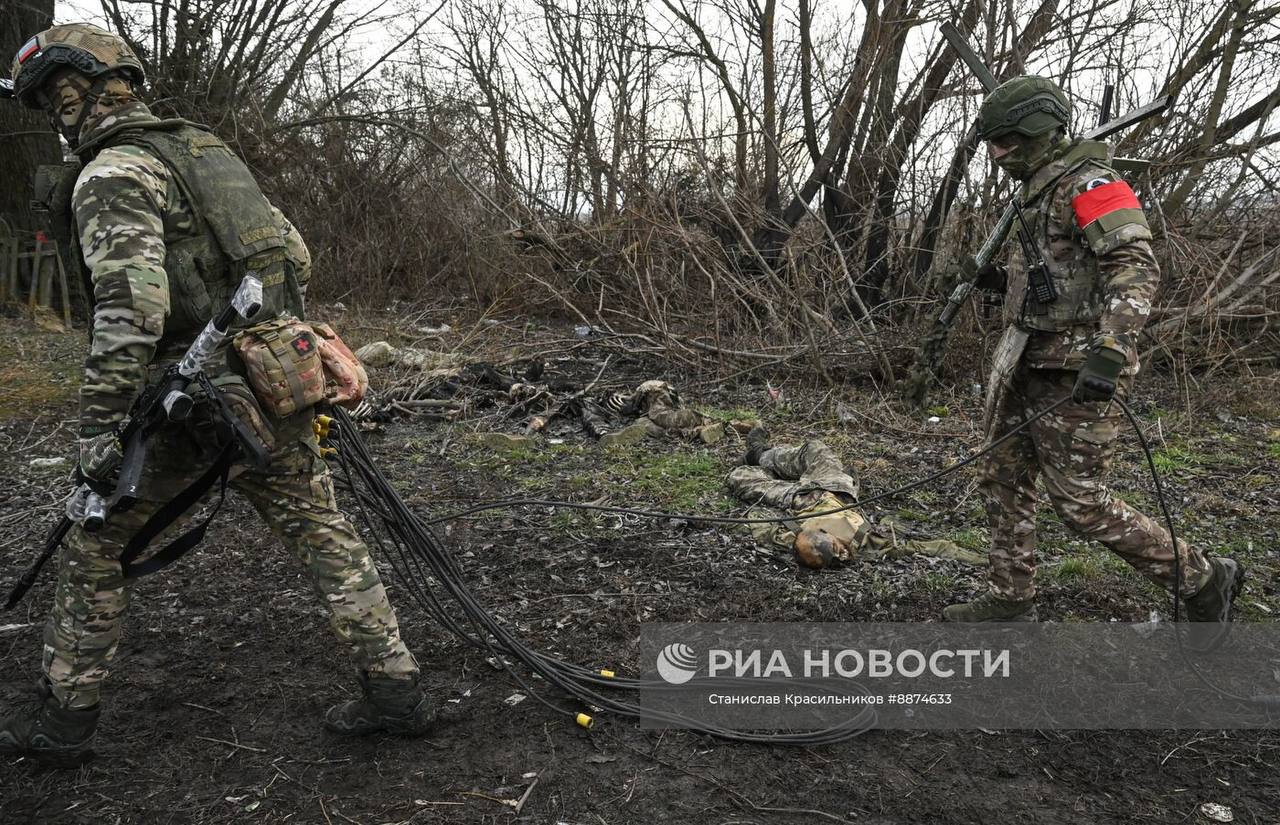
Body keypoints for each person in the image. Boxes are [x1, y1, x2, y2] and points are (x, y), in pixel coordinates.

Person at [0, 24, 433, 763]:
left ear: (72, 93)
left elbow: (130, 309)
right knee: (321, 529)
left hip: (186, 397)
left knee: (96, 540)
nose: (54, 115)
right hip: (268, 381)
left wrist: (98, 434)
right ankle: (397, 690)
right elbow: (291, 253)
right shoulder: (206, 154)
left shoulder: (112, 175)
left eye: (53, 100)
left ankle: (64, 721)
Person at [942, 76, 1243, 624]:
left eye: (1007, 140)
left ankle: (1202, 579)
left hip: (1079, 369)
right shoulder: (1036, 189)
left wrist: (1111, 351)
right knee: (1002, 476)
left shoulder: (1093, 183)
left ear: (1039, 130)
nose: (998, 152)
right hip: (1025, 360)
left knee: (1080, 501)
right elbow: (1058, 276)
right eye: (992, 142)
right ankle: (1011, 601)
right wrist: (994, 281)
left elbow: (1136, 270)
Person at [730, 428, 984, 569]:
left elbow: (756, 524)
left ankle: (761, 456)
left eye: (835, 548)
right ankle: (767, 459)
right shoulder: (868, 544)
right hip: (837, 490)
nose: (842, 551)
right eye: (837, 551)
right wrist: (988, 560)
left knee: (741, 476)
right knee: (812, 450)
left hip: (798, 497)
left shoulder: (795, 540)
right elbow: (934, 548)